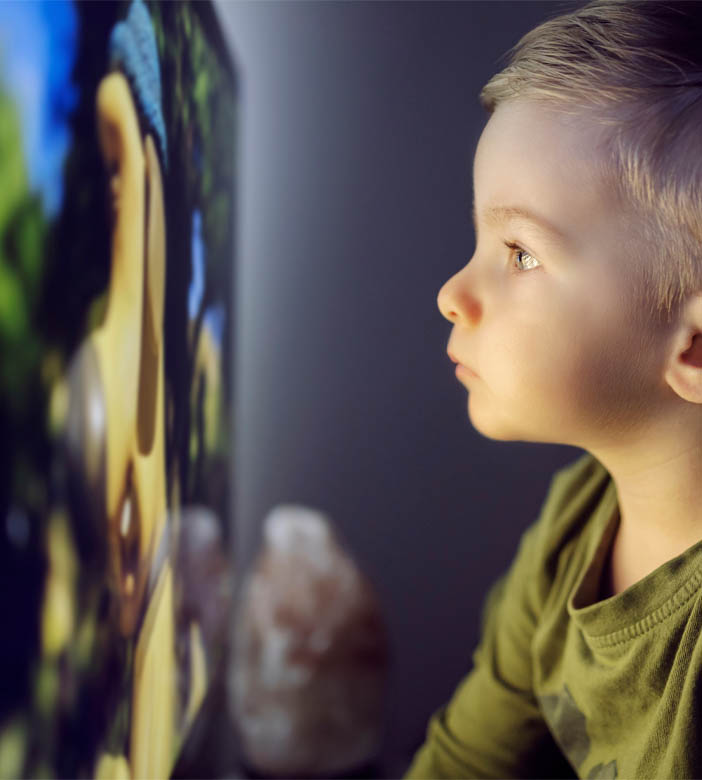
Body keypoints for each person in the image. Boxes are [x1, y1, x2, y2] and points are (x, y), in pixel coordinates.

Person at [405, 1, 702, 777]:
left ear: (697, 347)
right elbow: (463, 761)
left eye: (520, 253)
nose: (450, 293)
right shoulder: (572, 526)